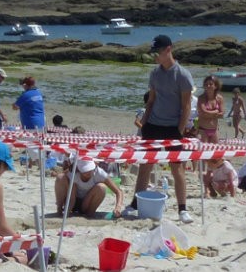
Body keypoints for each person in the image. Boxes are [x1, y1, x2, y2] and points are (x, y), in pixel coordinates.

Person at [133, 35, 195, 223]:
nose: (156, 57)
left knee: (177, 168)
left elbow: (186, 106)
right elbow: (151, 101)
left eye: (158, 52)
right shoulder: (155, 74)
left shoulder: (182, 75)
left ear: (168, 49)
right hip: (153, 124)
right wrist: (144, 125)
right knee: (145, 165)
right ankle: (135, 204)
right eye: (154, 53)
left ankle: (182, 209)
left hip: (173, 127)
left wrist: (180, 130)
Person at [55, 159, 123, 217]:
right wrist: (68, 211)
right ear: (79, 169)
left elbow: (118, 191)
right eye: (85, 171)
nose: (88, 172)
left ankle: (89, 214)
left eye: (90, 169)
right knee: (60, 177)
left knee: (101, 187)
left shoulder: (100, 173)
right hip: (74, 199)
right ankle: (59, 210)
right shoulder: (74, 173)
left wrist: (118, 207)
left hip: (87, 201)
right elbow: (72, 197)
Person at [194, 76, 225, 143]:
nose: (208, 86)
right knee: (203, 152)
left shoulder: (219, 98)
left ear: (216, 86)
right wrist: (216, 111)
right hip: (203, 130)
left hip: (215, 130)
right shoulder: (201, 98)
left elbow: (222, 114)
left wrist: (208, 114)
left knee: (215, 151)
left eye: (210, 84)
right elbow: (203, 112)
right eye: (206, 84)